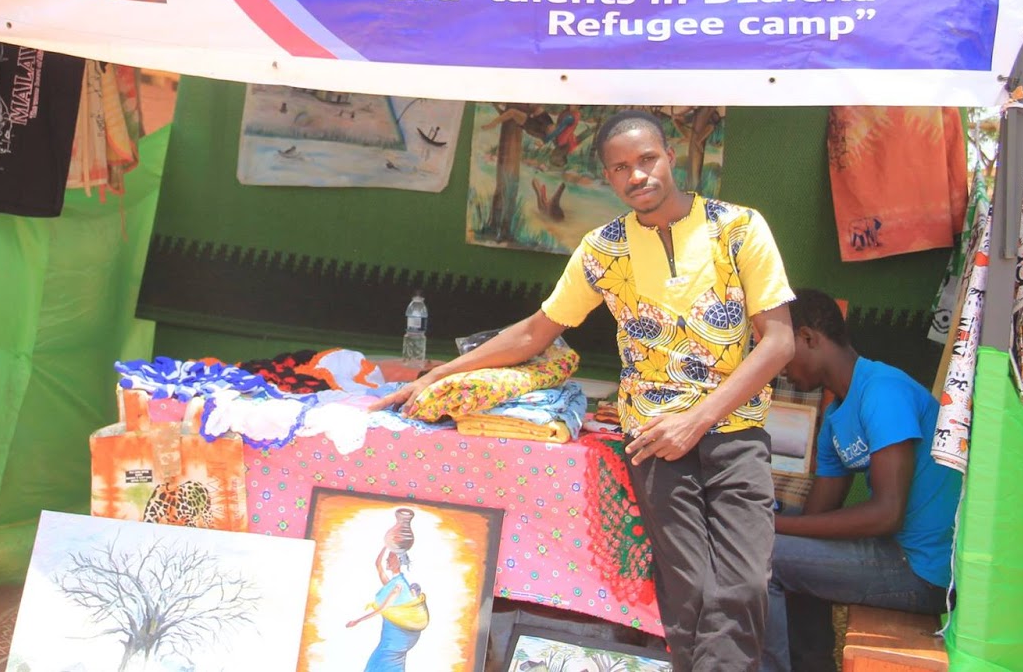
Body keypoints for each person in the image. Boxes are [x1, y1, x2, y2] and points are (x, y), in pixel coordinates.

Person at [374, 108, 796, 672]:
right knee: (688, 592)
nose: (637, 175)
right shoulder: (604, 249)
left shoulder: (738, 227)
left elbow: (779, 343)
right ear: (608, 178)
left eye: (647, 159)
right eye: (621, 168)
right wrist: (435, 375)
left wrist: (696, 420)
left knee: (742, 587)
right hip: (652, 441)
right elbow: (533, 332)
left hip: (735, 434)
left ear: (670, 155)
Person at [765, 289, 960, 672]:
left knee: (762, 557)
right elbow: (813, 522)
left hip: (925, 570)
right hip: (898, 554)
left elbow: (888, 514)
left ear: (807, 338)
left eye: (777, 349)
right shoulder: (837, 415)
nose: (776, 366)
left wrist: (772, 526)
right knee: (785, 549)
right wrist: (777, 522)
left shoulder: (883, 391)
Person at [346, 547, 427, 672]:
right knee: (384, 664)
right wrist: (386, 545)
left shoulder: (399, 586)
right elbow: (377, 564)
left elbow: (382, 608)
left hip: (394, 638)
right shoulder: (393, 583)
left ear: (398, 561)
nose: (387, 559)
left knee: (379, 663)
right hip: (391, 637)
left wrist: (357, 621)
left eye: (390, 557)